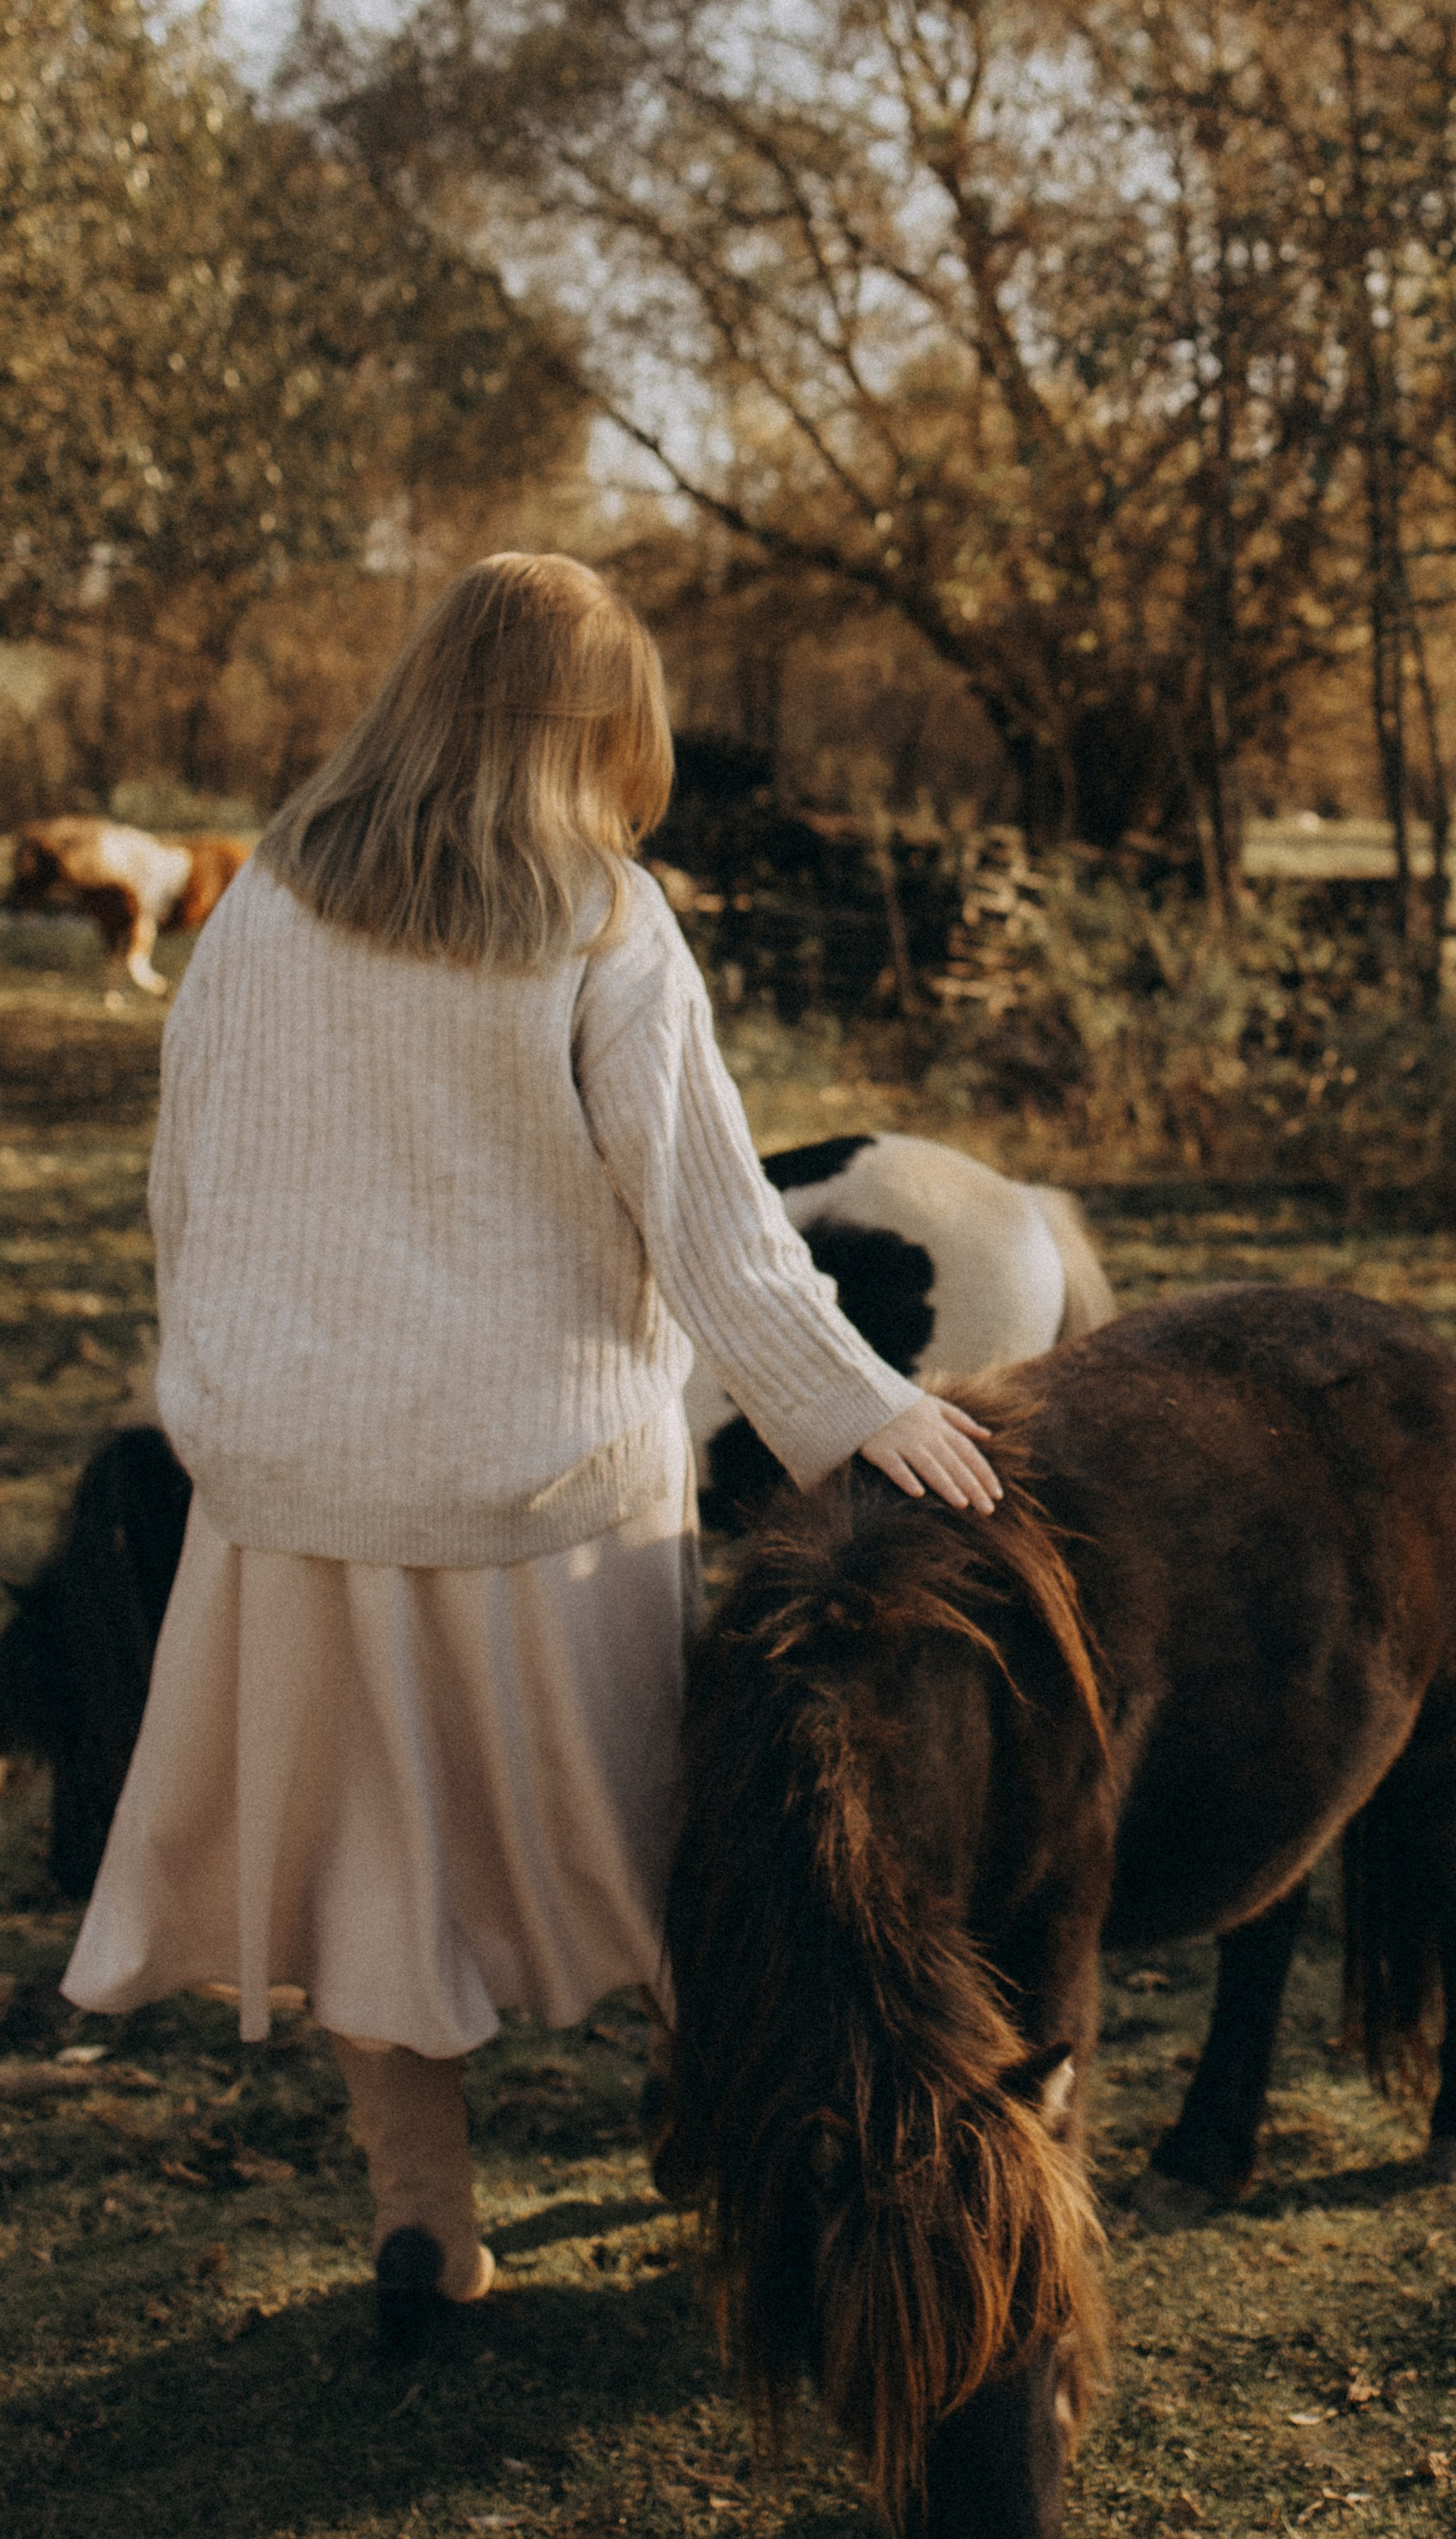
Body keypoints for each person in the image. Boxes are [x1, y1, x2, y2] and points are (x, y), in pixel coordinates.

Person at [61, 552, 999, 2349]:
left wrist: (221, 1401)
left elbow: (188, 1188)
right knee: (660, 1851)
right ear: (589, 722)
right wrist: (860, 1409)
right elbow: (714, 1227)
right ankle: (724, 2149)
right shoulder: (598, 915)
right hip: (542, 1487)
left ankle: (423, 2226)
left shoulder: (263, 907)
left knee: (365, 1870)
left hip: (296, 1486)